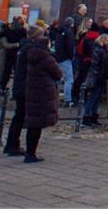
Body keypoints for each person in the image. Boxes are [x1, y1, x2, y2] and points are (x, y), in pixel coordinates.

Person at [22, 24, 63, 163]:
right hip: (43, 93)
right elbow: (58, 73)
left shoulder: (30, 54)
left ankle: (29, 152)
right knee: (37, 125)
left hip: (32, 92)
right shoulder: (46, 57)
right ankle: (31, 154)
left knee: (33, 124)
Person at [54, 17, 77, 105]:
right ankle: (68, 99)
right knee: (69, 79)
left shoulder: (59, 31)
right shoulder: (69, 32)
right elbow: (70, 46)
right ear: (71, 24)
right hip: (65, 58)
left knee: (58, 78)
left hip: (58, 57)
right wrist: (71, 56)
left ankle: (54, 96)